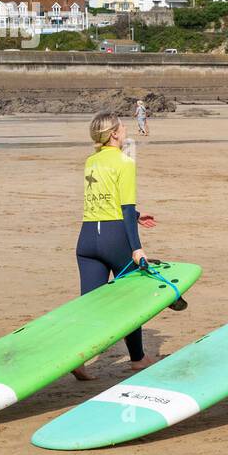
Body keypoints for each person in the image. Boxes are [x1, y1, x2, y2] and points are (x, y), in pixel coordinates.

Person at [77, 112, 160, 377]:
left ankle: (75, 359)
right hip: (114, 238)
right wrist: (136, 247)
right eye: (123, 127)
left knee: (90, 305)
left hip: (88, 238)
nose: (125, 131)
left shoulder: (90, 162)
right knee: (130, 301)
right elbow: (124, 208)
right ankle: (137, 358)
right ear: (114, 134)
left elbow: (103, 201)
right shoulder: (125, 163)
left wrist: (136, 216)